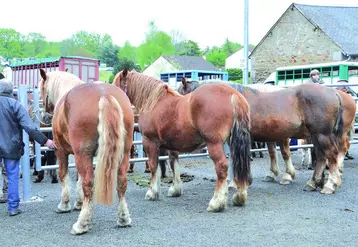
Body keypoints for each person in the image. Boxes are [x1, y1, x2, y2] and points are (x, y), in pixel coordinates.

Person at [0, 79, 57, 216]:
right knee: (13, 175)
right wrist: (45, 141)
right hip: (11, 146)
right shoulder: (16, 105)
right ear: (10, 90)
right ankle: (13, 208)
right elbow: (29, 127)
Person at [337, 79, 355, 160]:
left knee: (348, 135)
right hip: (341, 117)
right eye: (342, 86)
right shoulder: (336, 95)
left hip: (350, 117)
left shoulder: (350, 94)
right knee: (340, 135)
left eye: (345, 86)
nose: (344, 87)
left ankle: (346, 152)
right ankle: (340, 152)